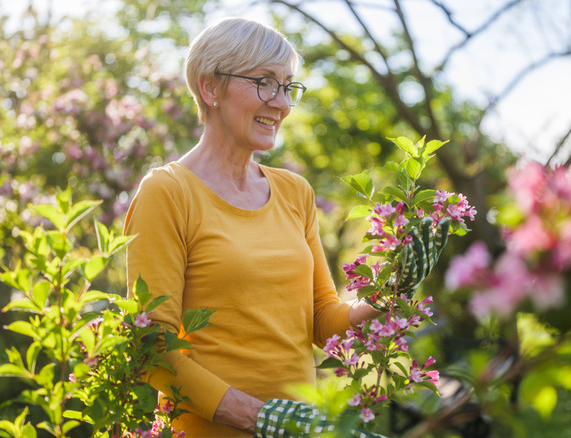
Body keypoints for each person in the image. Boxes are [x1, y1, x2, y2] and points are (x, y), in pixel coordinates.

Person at [123, 18, 384, 436]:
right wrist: (261, 418)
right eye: (264, 82)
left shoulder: (294, 191)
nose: (281, 103)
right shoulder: (168, 193)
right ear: (211, 88)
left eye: (287, 86)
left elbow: (320, 319)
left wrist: (390, 292)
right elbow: (153, 348)